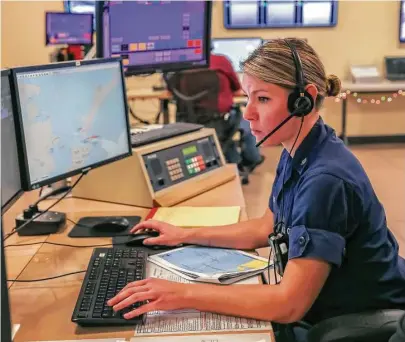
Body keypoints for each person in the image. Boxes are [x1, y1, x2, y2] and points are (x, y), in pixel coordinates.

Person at [108, 38, 405, 340]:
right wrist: (184, 235)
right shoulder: (300, 149)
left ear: (304, 99)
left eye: (262, 99)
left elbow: (289, 305)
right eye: (248, 97)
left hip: (352, 319)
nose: (248, 112)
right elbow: (267, 226)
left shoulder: (325, 180)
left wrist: (181, 294)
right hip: (327, 307)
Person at [209, 51, 264, 172]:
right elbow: (236, 87)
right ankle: (253, 158)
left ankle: (235, 160)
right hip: (222, 118)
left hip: (191, 121)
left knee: (224, 134)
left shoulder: (183, 65)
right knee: (249, 123)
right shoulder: (220, 61)